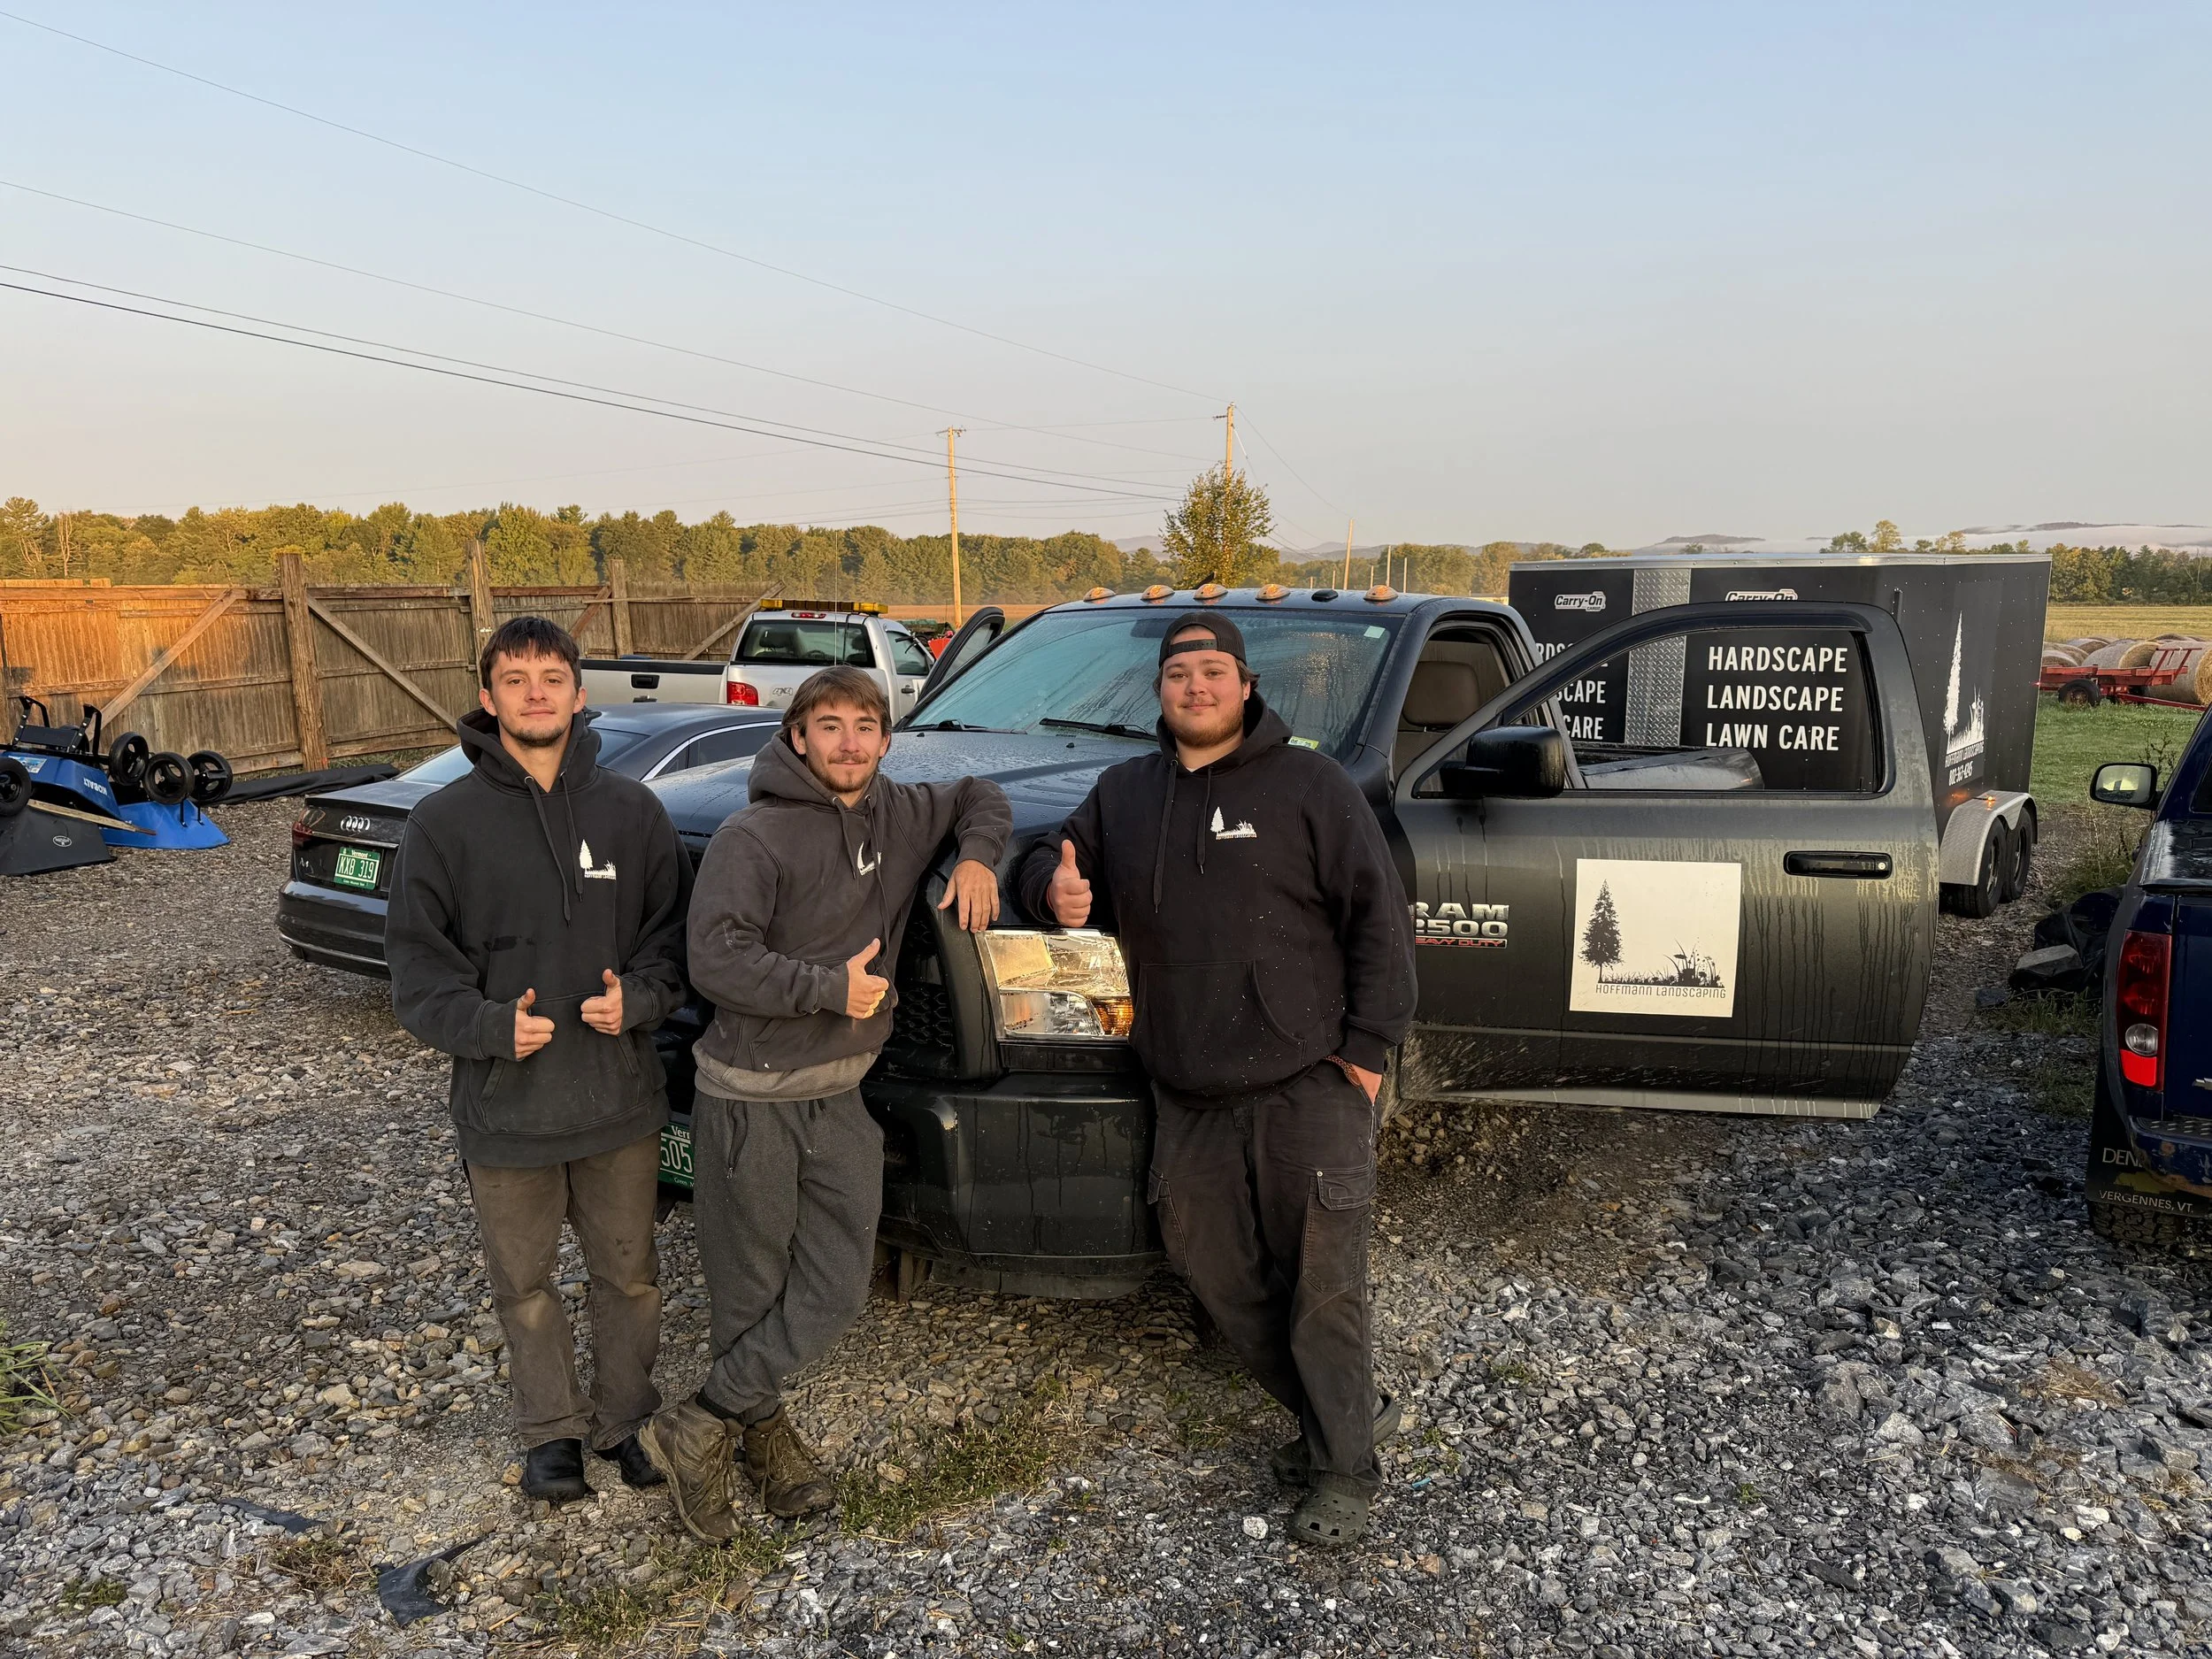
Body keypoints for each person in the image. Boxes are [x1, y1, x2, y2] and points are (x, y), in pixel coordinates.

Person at [1017, 614, 1415, 1547]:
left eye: (1212, 671)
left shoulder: (1310, 784)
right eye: (1178, 673)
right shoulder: (1124, 793)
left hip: (1307, 1078)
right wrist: (1050, 890)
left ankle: (1343, 1469)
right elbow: (1052, 858)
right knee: (1213, 1270)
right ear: (1159, 690)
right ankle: (1347, 1410)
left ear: (1245, 685)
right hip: (1186, 1086)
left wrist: (1365, 1052)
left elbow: (1379, 918)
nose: (1195, 687)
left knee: (1322, 1282)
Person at [640, 664, 1010, 1540]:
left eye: (865, 726)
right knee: (749, 1289)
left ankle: (698, 1420)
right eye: (830, 725)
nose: (849, 743)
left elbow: (979, 795)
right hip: (751, 1098)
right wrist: (825, 989)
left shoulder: (898, 811)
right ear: (797, 736)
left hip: (841, 1094)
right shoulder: (753, 836)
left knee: (839, 1283)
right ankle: (760, 1437)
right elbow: (716, 960)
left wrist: (978, 856)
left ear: (886, 738)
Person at [387, 616, 693, 1504]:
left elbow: (674, 946)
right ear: (487, 696)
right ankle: (550, 1432)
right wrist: (487, 1025)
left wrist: (638, 1000)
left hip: (618, 1101)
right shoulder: (442, 823)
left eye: (551, 677)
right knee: (524, 1286)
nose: (534, 694)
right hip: (506, 1106)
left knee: (629, 1277)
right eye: (514, 679)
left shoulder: (633, 813)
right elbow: (417, 972)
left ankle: (625, 1417)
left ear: (578, 693)